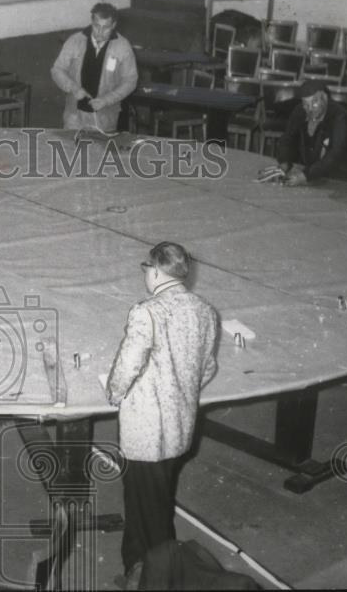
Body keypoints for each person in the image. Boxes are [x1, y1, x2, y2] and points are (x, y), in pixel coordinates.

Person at [104, 242, 219, 586]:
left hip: (146, 431)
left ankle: (159, 579)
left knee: (149, 513)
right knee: (149, 502)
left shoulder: (146, 311)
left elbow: (127, 365)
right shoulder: (204, 310)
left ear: (154, 271)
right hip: (180, 426)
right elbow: (207, 368)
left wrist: (114, 392)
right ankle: (137, 571)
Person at [259, 79, 347, 186]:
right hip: (322, 175)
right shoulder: (301, 111)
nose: (309, 109)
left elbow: (335, 154)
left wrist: (305, 176)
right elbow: (288, 139)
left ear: (325, 98)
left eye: (314, 103)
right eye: (306, 104)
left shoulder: (341, 118)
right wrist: (284, 163)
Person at [51, 2, 138, 132]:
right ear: (92, 21)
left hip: (105, 117)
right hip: (74, 116)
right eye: (97, 26)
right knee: (71, 149)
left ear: (114, 25)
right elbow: (57, 70)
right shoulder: (75, 41)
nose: (100, 32)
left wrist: (107, 100)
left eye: (106, 28)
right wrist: (73, 88)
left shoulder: (123, 46)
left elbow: (130, 80)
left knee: (99, 151)